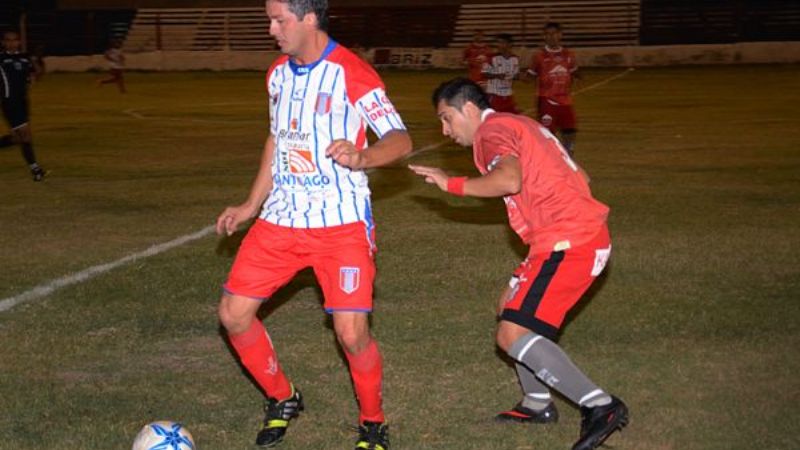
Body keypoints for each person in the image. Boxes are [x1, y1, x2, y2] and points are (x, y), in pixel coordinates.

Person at [215, 1, 412, 449]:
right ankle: (282, 397)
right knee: (233, 314)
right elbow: (277, 136)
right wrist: (251, 204)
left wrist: (364, 157)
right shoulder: (277, 74)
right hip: (281, 218)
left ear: (309, 19)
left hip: (339, 224)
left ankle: (373, 423)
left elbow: (400, 139)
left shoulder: (351, 72)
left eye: (278, 19)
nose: (271, 29)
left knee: (351, 333)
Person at [408, 78, 628, 450]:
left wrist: (451, 185)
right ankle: (537, 404)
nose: (445, 131)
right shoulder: (522, 123)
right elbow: (581, 176)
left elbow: (508, 180)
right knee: (508, 307)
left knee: (512, 334)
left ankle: (601, 406)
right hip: (566, 236)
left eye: (447, 119)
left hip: (569, 242)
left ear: (470, 109)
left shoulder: (490, 133)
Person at [526, 22, 580, 156]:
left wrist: (577, 76)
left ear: (560, 35)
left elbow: (574, 72)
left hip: (565, 101)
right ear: (544, 36)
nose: (551, 37)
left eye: (554, 33)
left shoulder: (569, 54)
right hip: (546, 101)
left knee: (570, 130)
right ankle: (548, 159)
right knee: (547, 134)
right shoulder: (539, 56)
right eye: (548, 34)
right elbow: (529, 76)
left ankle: (569, 155)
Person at [0, 30, 46, 181]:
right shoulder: (1, 58)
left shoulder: (25, 57)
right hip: (9, 101)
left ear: (19, 42)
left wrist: (35, 61)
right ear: (3, 42)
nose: (11, 43)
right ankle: (35, 169)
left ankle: (34, 167)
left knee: (17, 138)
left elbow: (37, 74)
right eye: (8, 40)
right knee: (26, 134)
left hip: (23, 101)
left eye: (14, 40)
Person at [481, 33, 519, 113]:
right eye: (498, 43)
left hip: (508, 95)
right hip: (494, 95)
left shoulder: (515, 59)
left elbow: (515, 75)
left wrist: (519, 76)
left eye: (502, 43)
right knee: (494, 119)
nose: (499, 45)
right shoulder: (491, 57)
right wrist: (497, 75)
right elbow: (484, 73)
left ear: (510, 44)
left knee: (511, 119)